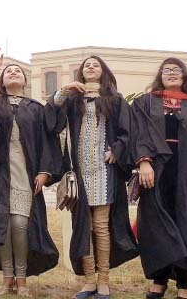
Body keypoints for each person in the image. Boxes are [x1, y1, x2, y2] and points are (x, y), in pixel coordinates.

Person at [131, 58, 187, 299]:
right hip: (157, 171)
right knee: (157, 225)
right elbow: (138, 133)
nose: (171, 73)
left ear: (184, 77)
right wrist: (144, 160)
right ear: (160, 75)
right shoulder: (146, 101)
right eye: (167, 70)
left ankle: (184, 283)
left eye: (176, 70)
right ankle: (159, 279)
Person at [47, 55, 137, 299]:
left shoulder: (114, 99)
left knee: (100, 226)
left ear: (103, 71)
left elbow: (127, 132)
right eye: (86, 64)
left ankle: (104, 280)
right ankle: (88, 281)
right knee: (83, 226)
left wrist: (116, 150)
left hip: (104, 169)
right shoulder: (73, 100)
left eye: (95, 64)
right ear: (81, 72)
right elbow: (52, 114)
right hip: (80, 170)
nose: (90, 67)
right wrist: (64, 90)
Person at [0, 50, 61, 297]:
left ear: (25, 81)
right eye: (8, 72)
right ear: (2, 82)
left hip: (27, 174)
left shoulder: (35, 108)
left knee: (20, 224)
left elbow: (48, 139)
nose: (12, 72)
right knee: (2, 225)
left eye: (17, 71)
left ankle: (22, 279)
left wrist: (45, 171)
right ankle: (7, 277)